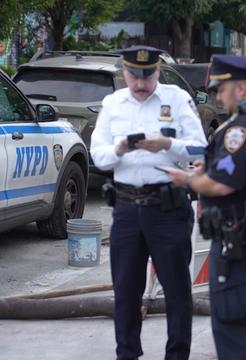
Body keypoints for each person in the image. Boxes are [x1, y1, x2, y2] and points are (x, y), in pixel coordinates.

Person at [166, 55, 246, 360]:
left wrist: (186, 179)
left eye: (220, 90)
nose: (218, 98)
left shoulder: (243, 127)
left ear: (239, 89)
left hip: (241, 243)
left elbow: (222, 185)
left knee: (236, 322)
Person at [90, 45, 207, 360]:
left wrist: (168, 143)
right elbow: (97, 155)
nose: (140, 83)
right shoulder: (113, 103)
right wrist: (120, 149)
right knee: (126, 291)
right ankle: (126, 353)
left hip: (167, 207)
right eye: (133, 76)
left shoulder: (176, 99)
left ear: (157, 71)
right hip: (126, 207)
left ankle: (177, 354)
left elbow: (200, 148)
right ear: (124, 72)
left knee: (176, 290)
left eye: (147, 75)